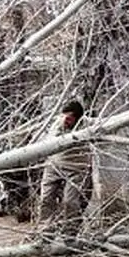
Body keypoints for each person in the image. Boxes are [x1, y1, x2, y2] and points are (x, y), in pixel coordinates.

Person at [37, 100, 92, 238]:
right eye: (63, 117)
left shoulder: (88, 125)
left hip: (76, 168)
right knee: (46, 198)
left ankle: (70, 233)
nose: (64, 121)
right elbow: (48, 142)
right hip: (54, 165)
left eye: (68, 118)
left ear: (78, 118)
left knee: (70, 202)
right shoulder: (57, 125)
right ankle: (45, 232)